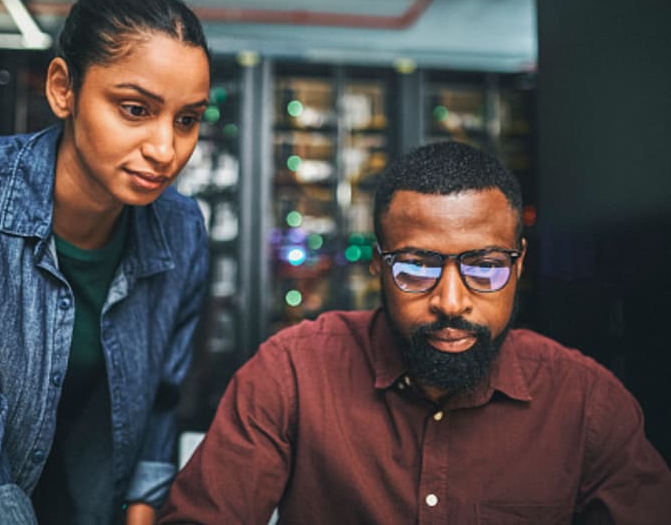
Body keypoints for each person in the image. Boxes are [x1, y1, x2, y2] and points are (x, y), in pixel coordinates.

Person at [159, 141, 671, 524]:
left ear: (518, 266)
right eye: (417, 268)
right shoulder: (292, 372)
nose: (451, 301)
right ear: (378, 267)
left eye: (486, 266)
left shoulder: (585, 402)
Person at [0, 0, 210, 524]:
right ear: (63, 89)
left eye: (188, 119)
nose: (165, 149)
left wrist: (142, 509)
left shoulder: (181, 227)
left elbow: (163, 400)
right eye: (135, 108)